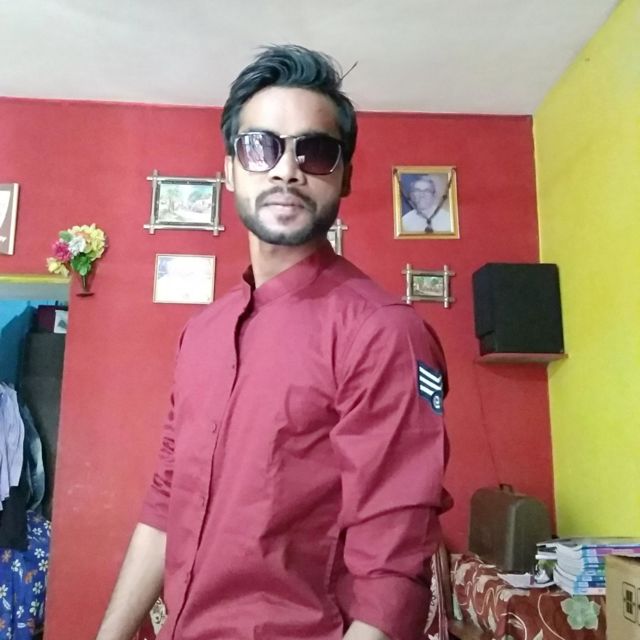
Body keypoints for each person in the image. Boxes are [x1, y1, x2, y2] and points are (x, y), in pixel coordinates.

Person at [96, 45, 450, 640]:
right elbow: (165, 502)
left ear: (345, 175)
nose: (286, 169)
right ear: (231, 169)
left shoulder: (383, 332)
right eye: (260, 147)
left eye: (315, 151)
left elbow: (391, 576)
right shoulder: (201, 334)